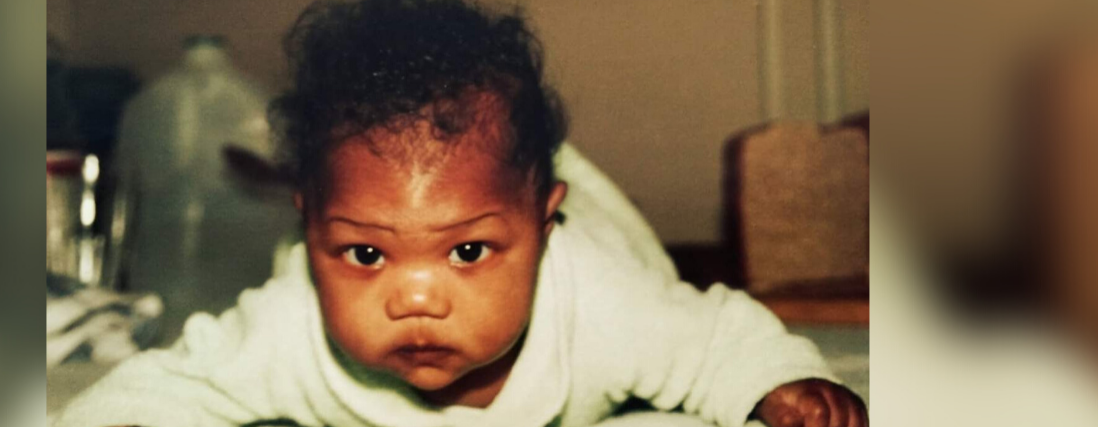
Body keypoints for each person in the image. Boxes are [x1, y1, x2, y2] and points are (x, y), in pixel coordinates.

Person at [55, 0, 867, 426]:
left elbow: (713, 338)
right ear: (308, 235)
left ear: (543, 230)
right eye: (367, 256)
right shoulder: (291, 327)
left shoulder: (602, 305)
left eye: (467, 254)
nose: (416, 296)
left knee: (603, 244)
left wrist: (779, 382)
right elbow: (171, 381)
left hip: (600, 245)